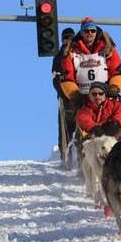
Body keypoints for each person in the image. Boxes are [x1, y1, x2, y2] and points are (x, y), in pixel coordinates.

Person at [60, 17, 121, 107]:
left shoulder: (108, 49)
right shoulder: (72, 52)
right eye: (86, 31)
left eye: (92, 31)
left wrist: (114, 88)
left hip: (105, 97)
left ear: (96, 32)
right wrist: (75, 96)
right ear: (81, 33)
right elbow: (67, 78)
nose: (89, 33)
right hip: (83, 100)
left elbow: (116, 71)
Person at [51, 27, 76, 165]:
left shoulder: (79, 53)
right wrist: (61, 91)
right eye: (66, 38)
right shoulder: (58, 57)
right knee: (65, 128)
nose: (69, 41)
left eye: (71, 38)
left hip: (80, 95)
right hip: (65, 98)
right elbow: (55, 78)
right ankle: (65, 157)